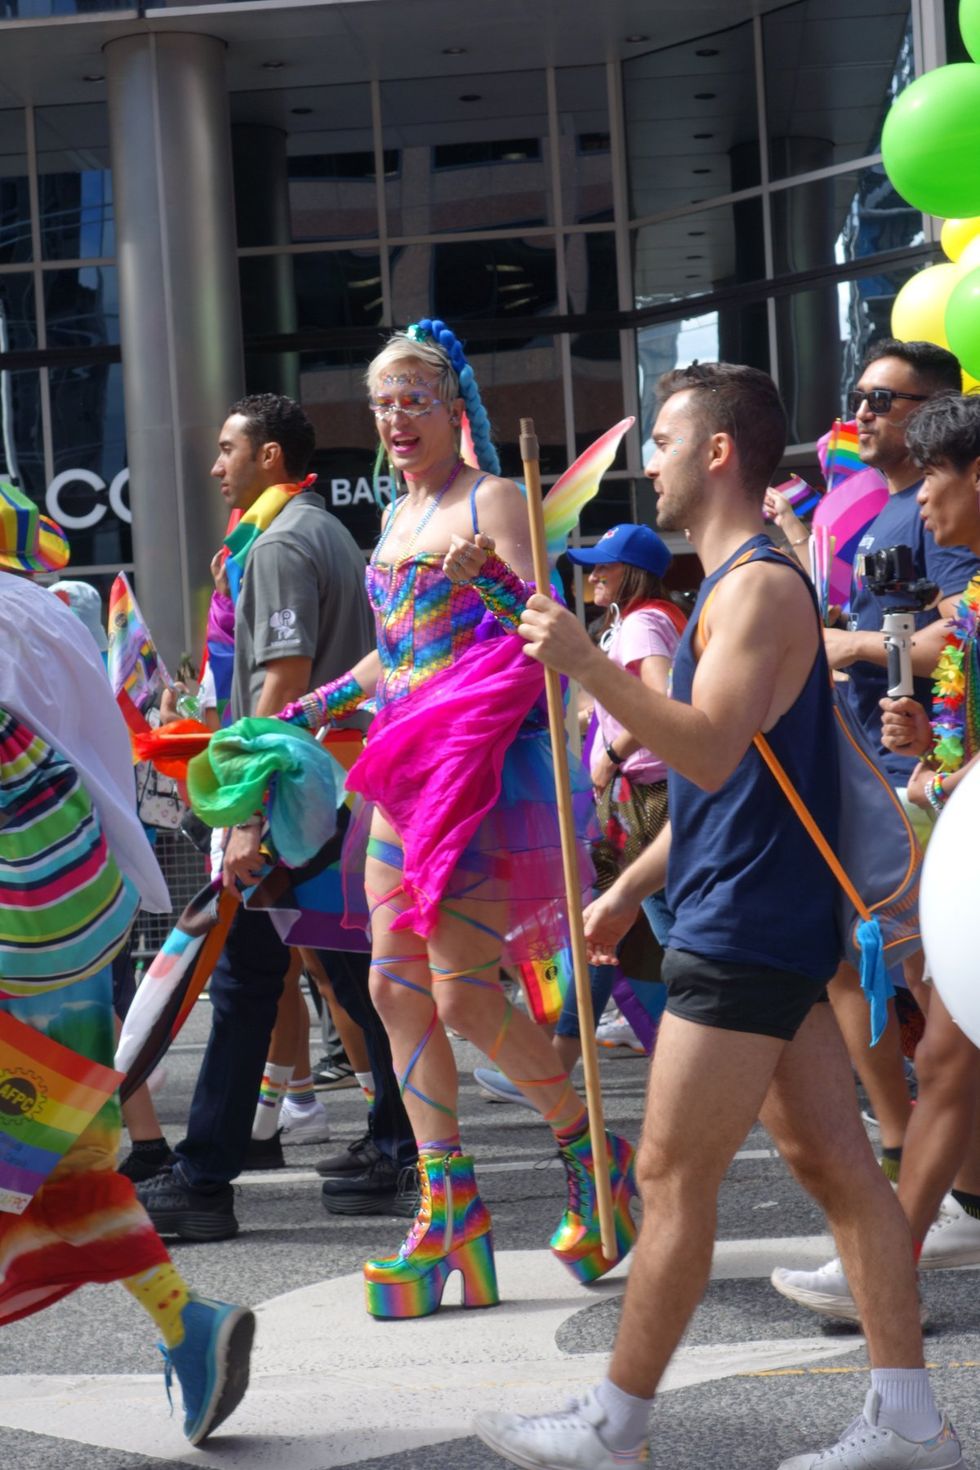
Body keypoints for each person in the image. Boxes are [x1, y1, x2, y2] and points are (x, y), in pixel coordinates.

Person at [474, 362, 961, 1470]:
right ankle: (909, 1422)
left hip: (746, 923)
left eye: (660, 439)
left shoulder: (750, 589)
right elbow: (718, 780)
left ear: (716, 452)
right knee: (834, 1162)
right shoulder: (731, 585)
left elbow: (699, 745)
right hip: (742, 908)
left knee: (667, 1176)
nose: (644, 460)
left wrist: (587, 661)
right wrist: (627, 887)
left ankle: (616, 1424)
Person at [279, 318, 637, 1320]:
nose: (395, 419)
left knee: (464, 997)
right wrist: (303, 711)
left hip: (479, 778)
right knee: (394, 990)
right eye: (382, 403)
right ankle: (449, 1208)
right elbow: (391, 656)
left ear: (452, 406)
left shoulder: (495, 500)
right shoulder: (396, 517)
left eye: (413, 400)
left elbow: (545, 631)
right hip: (402, 777)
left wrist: (498, 578)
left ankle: (591, 1157)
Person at [0, 482, 253, 1446]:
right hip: (78, 908)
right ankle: (189, 1328)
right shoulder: (52, 611)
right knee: (68, 1154)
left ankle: (190, 1328)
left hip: (15, 934)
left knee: (44, 1155)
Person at [136, 393, 417, 1239]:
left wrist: (245, 818)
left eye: (227, 449)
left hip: (296, 800)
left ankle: (206, 1176)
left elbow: (282, 684)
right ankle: (400, 1143)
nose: (215, 465)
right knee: (352, 977)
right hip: (326, 794)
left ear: (269, 458)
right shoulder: (315, 531)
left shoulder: (286, 540)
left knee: (251, 979)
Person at [773, 391, 980, 1324]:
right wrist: (940, 737)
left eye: (935, 475)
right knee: (943, 1059)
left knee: (944, 1059)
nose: (923, 502)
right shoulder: (967, 601)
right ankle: (888, 1264)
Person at [474, 522, 683, 1101]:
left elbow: (663, 702)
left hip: (651, 798)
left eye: (604, 566)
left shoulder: (642, 623)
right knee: (604, 932)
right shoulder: (638, 621)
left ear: (633, 574)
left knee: (669, 935)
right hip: (637, 798)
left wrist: (613, 751)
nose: (592, 575)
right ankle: (556, 1067)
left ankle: (700, 1068)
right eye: (590, 565)